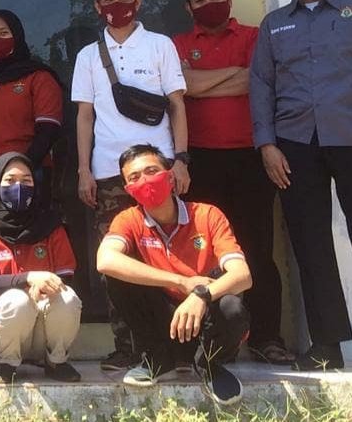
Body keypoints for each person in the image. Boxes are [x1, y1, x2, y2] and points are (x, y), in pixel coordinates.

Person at [250, 0, 352, 371]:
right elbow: (261, 85)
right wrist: (267, 144)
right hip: (295, 144)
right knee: (310, 243)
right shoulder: (274, 24)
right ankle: (326, 347)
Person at [71, 0, 188, 371]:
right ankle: (127, 347)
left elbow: (177, 105)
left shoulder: (160, 45)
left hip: (159, 169)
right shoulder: (88, 56)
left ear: (138, 3)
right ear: (96, 6)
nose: (116, 6)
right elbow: (85, 116)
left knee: (166, 257)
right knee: (116, 262)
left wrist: (181, 159)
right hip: (107, 173)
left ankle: (172, 347)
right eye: (108, 0)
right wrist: (84, 170)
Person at [172, 0, 291, 364]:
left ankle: (267, 337)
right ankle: (215, 340)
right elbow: (184, 86)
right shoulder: (178, 44)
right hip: (199, 160)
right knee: (203, 252)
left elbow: (257, 83)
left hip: (250, 158)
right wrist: (234, 74)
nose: (209, 4)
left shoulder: (255, 37)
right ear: (188, 7)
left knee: (256, 249)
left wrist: (203, 83)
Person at [97, 144, 250, 406]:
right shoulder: (128, 219)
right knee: (115, 276)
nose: (144, 181)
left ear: (170, 177)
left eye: (151, 171)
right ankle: (157, 360)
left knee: (232, 307)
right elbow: (105, 260)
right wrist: (181, 282)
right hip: (163, 322)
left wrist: (201, 295)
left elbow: (243, 275)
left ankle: (209, 365)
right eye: (134, 177)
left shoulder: (207, 214)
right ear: (128, 189)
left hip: (205, 322)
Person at [0, 152, 82, 384]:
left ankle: (56, 361)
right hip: (3, 326)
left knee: (67, 297)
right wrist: (28, 279)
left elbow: (66, 275)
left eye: (26, 181)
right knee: (17, 300)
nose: (18, 187)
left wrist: (44, 288)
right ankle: (7, 364)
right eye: (10, 180)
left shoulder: (50, 224)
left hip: (44, 325)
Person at [0, 10, 65, 211]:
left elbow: (48, 130)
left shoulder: (38, 77)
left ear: (17, 35)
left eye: (4, 33)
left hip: (27, 173)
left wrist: (23, 166)